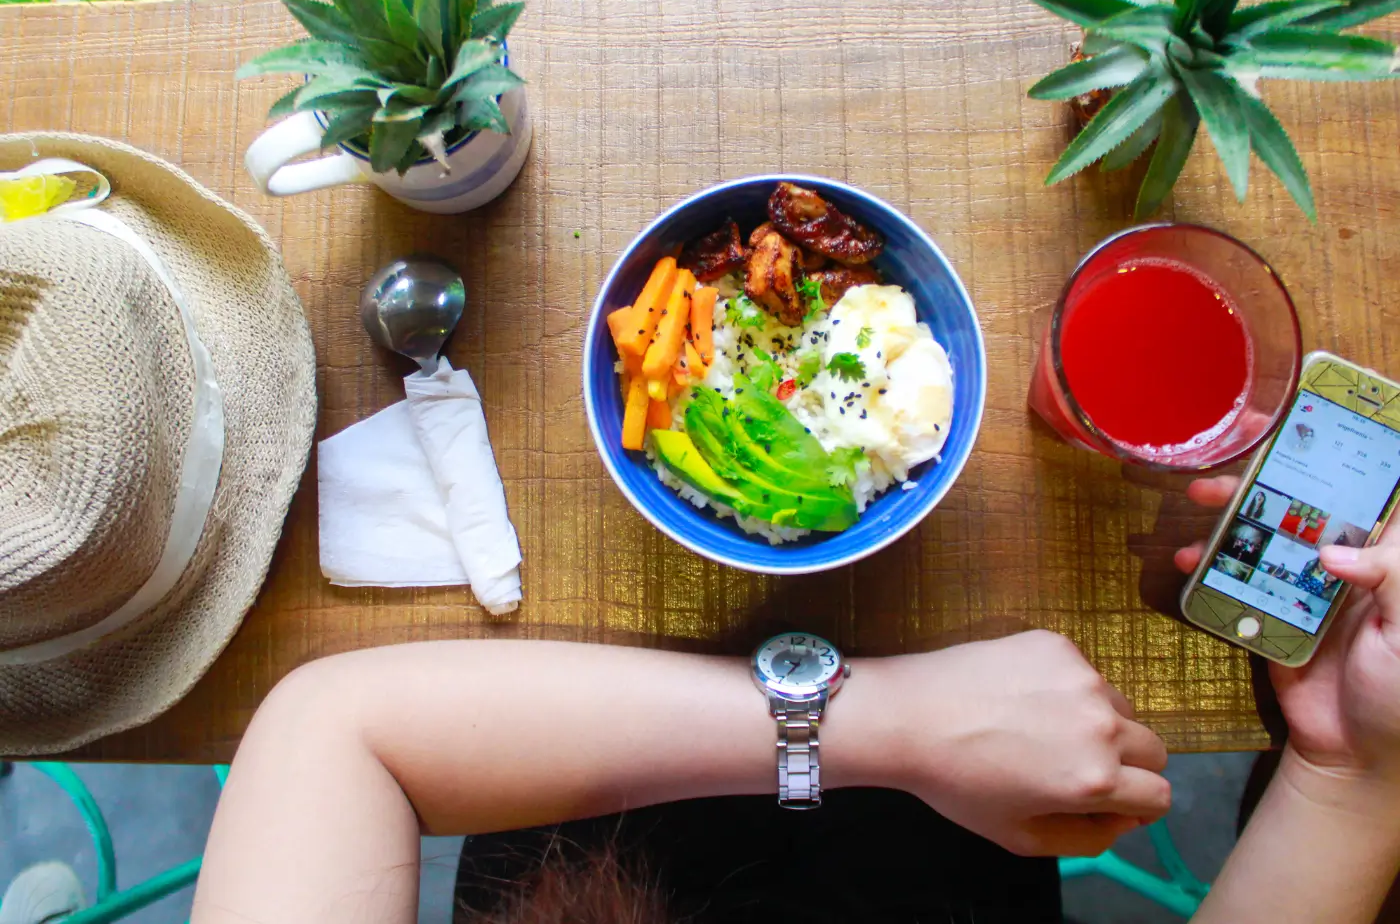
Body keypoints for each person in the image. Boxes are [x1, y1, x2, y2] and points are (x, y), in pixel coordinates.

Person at [189, 474, 1400, 924]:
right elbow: (1347, 780)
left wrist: (894, 725)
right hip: (955, 856)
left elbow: (331, 732)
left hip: (567, 792)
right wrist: (1349, 767)